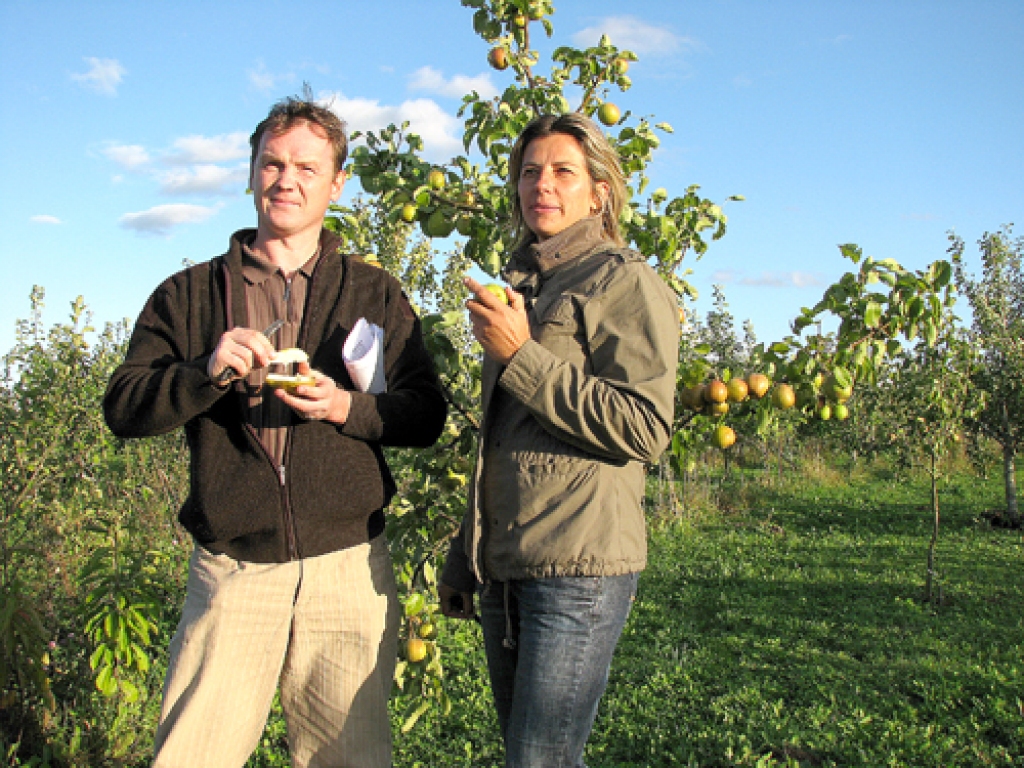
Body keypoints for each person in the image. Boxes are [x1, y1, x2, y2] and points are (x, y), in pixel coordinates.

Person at [103, 93, 447, 768]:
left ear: (337, 183)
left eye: (306, 168)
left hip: (347, 569)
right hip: (233, 568)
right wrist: (203, 373)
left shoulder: (374, 292)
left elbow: (425, 413)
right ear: (251, 171)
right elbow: (124, 405)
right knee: (191, 755)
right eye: (272, 163)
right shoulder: (189, 294)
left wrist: (345, 408)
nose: (285, 180)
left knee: (349, 759)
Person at [439, 112, 680, 767]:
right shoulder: (524, 284)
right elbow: (503, 438)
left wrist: (521, 354)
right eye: (528, 171)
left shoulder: (624, 282)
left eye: (563, 171)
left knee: (539, 761)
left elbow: (644, 427)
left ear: (599, 191)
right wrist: (468, 552)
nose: (541, 184)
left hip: (578, 565)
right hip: (510, 567)